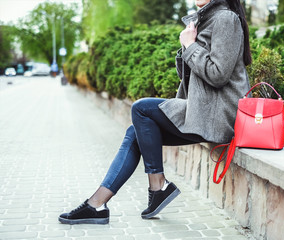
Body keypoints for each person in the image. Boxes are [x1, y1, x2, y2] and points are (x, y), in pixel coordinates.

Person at [58, 0, 252, 224]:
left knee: (141, 108)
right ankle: (97, 204)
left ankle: (157, 186)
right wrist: (187, 45)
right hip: (204, 110)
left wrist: (190, 46)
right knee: (135, 132)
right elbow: (193, 76)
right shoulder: (205, 19)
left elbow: (218, 74)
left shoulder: (226, 19)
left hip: (219, 115)